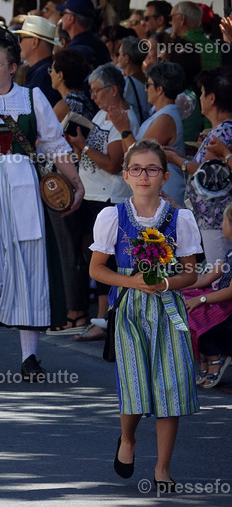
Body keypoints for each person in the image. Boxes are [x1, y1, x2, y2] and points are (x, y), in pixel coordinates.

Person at [0, 25, 84, 379]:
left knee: (27, 265)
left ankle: (29, 357)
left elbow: (55, 145)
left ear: (12, 67)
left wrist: (75, 181)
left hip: (24, 185)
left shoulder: (33, 97)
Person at [89, 139, 201, 492]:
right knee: (136, 384)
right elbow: (97, 269)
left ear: (165, 176)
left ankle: (163, 468)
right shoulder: (113, 217)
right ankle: (128, 437)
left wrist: (165, 283)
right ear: (125, 175)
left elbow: (191, 273)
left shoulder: (180, 218)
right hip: (129, 308)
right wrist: (132, 281)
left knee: (169, 385)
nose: (143, 175)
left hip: (167, 308)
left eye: (152, 169)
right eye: (136, 169)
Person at [62, 64, 137, 339]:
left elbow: (113, 164)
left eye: (97, 91)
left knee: (105, 258)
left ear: (113, 90)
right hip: (94, 196)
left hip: (108, 197)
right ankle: (102, 319)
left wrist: (82, 146)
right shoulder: (103, 115)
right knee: (93, 255)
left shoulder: (123, 119)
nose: (92, 97)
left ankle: (105, 320)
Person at [163, 67, 232, 264]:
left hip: (216, 218)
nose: (200, 98)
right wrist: (178, 157)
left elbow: (207, 175)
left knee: (219, 274)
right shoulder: (223, 130)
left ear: (212, 99)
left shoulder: (221, 132)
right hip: (214, 217)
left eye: (202, 93)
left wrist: (176, 160)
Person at [183, 203, 232, 388]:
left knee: (198, 311)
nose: (221, 226)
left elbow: (230, 291)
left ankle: (215, 356)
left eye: (225, 221)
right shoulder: (230, 253)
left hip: (228, 302)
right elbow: (209, 277)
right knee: (184, 300)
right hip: (222, 298)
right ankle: (205, 354)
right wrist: (178, 284)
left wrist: (201, 299)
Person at [133, 62, 187, 206]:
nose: (145, 89)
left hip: (168, 194)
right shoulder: (162, 115)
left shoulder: (165, 118)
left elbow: (138, 154)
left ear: (160, 89)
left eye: (148, 85)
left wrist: (124, 129)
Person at [17, 16, 61, 106]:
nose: (19, 43)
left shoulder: (44, 75)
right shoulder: (42, 71)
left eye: (21, 38)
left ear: (35, 42)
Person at [57, 0, 110, 69]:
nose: (61, 17)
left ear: (70, 18)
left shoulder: (72, 53)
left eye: (62, 13)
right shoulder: (101, 46)